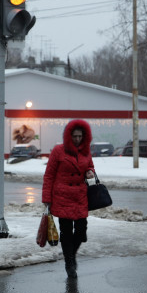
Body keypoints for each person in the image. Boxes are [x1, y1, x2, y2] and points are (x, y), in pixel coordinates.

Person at [42, 119, 95, 278]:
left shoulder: (86, 151)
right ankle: (69, 263)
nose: (77, 139)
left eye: (80, 136)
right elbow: (49, 175)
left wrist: (90, 172)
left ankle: (70, 255)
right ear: (68, 136)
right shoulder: (58, 151)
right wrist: (47, 198)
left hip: (79, 196)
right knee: (66, 232)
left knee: (81, 231)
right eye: (74, 136)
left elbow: (90, 166)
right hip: (62, 196)